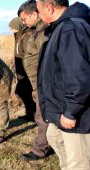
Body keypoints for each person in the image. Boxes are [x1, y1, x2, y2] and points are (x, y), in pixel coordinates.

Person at [36, 0, 90, 169]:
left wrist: (71, 111)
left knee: (79, 162)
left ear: (49, 8)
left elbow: (79, 76)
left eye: (38, 10)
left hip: (77, 117)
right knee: (54, 138)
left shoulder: (70, 29)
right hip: (59, 109)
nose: (38, 14)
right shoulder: (60, 28)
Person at [16, 0, 53, 162]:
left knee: (41, 117)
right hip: (38, 84)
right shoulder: (36, 30)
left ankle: (40, 150)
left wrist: (41, 86)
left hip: (44, 85)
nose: (23, 22)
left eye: (24, 19)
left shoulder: (44, 32)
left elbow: (49, 61)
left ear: (34, 13)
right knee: (43, 117)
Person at [9, 17, 36, 122]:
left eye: (12, 28)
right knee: (22, 92)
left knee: (23, 91)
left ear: (18, 26)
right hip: (21, 70)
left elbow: (27, 55)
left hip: (26, 70)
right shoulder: (18, 36)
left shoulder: (27, 36)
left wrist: (25, 71)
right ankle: (30, 113)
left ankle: (35, 113)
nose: (11, 30)